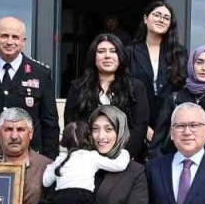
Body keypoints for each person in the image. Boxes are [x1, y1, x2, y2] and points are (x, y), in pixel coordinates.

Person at [0, 16, 59, 159]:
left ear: (23, 41)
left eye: (15, 37)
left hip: (28, 158)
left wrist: (50, 162)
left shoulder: (40, 73)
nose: (10, 42)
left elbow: (49, 123)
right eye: (4, 36)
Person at [64, 33, 150, 161]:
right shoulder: (78, 87)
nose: (107, 56)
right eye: (101, 51)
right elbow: (72, 124)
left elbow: (140, 127)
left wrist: (120, 155)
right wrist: (89, 155)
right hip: (86, 159)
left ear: (120, 56)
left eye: (113, 51)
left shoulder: (136, 87)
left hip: (125, 159)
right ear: (93, 56)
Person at [152, 45, 205, 160]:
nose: (204, 68)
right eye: (199, 62)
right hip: (175, 165)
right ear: (191, 65)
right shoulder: (174, 98)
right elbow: (158, 141)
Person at [128, 1, 186, 143]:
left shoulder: (179, 53)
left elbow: (182, 91)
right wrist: (144, 128)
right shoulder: (130, 52)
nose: (161, 20)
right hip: (136, 125)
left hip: (170, 127)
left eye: (166, 18)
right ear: (145, 19)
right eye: (157, 15)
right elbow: (124, 90)